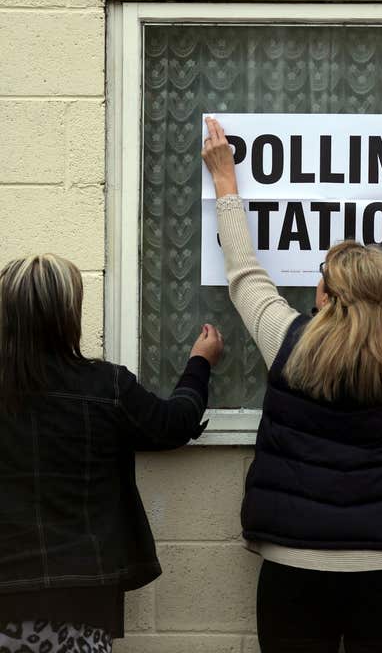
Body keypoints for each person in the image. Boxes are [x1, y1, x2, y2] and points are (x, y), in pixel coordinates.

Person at [202, 115, 382, 653]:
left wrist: (225, 180)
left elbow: (244, 274)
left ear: (323, 293)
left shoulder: (288, 337)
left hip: (294, 565)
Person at [0, 253, 224, 652]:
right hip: (82, 594)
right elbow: (173, 423)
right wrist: (199, 364)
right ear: (67, 315)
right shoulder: (105, 386)